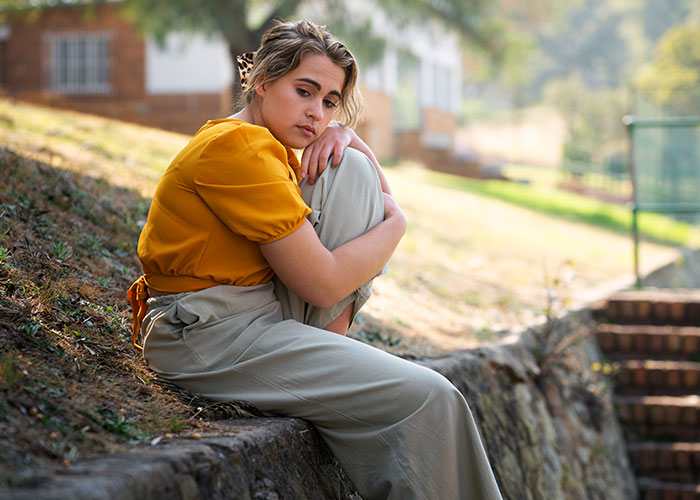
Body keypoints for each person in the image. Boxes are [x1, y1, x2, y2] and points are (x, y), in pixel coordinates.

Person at [128, 19, 502, 500]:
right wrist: (398, 225)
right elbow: (322, 286)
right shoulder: (235, 148)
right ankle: (334, 363)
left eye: (329, 101)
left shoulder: (263, 144)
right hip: (209, 337)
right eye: (304, 91)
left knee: (351, 169)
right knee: (432, 398)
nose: (316, 113)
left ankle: (330, 353)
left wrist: (347, 135)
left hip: (256, 318)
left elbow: (366, 185)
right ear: (261, 81)